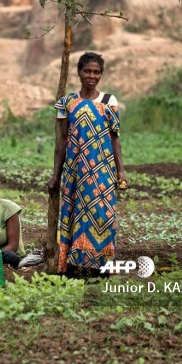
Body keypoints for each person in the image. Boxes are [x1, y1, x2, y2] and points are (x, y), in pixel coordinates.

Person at [47, 52, 128, 277]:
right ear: (79, 72)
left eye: (96, 72)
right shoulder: (67, 102)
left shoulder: (108, 101)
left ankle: (100, 266)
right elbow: (61, 141)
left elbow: (115, 138)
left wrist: (120, 170)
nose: (91, 76)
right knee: (74, 214)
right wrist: (56, 174)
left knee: (102, 214)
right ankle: (74, 266)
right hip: (75, 169)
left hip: (102, 169)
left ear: (101, 74)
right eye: (87, 71)